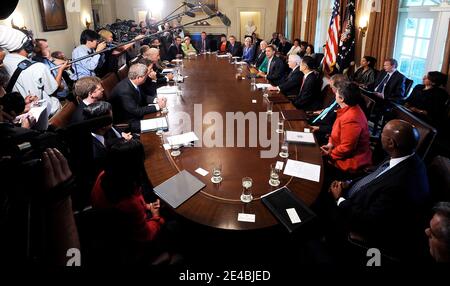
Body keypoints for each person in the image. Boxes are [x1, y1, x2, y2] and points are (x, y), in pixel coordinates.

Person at [329, 119, 430, 259]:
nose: (378, 134)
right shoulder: (402, 156)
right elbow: (376, 176)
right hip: (356, 196)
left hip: (354, 218)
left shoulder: (400, 183)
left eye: (382, 133)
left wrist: (340, 199)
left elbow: (368, 221)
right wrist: (350, 183)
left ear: (391, 143)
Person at [91, 138, 165, 243]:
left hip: (112, 226)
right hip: (131, 244)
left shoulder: (104, 174)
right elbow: (147, 235)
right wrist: (156, 216)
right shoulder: (129, 203)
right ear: (135, 165)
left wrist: (147, 206)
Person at [2, 27, 63, 116]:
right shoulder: (38, 67)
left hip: (18, 112)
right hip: (44, 113)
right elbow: (52, 90)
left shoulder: (3, 62)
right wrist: (60, 70)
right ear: (28, 46)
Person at [320, 82, 372, 175]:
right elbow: (336, 131)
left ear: (342, 99)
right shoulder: (348, 108)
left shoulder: (352, 118)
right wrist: (330, 144)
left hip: (349, 161)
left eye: (337, 93)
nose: (335, 94)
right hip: (337, 150)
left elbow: (347, 148)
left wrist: (330, 154)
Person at [109, 63, 166, 131]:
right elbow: (137, 111)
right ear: (138, 77)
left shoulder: (133, 82)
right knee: (161, 124)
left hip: (136, 115)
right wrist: (158, 106)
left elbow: (143, 97)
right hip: (129, 122)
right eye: (145, 76)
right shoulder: (124, 91)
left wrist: (156, 100)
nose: (147, 77)